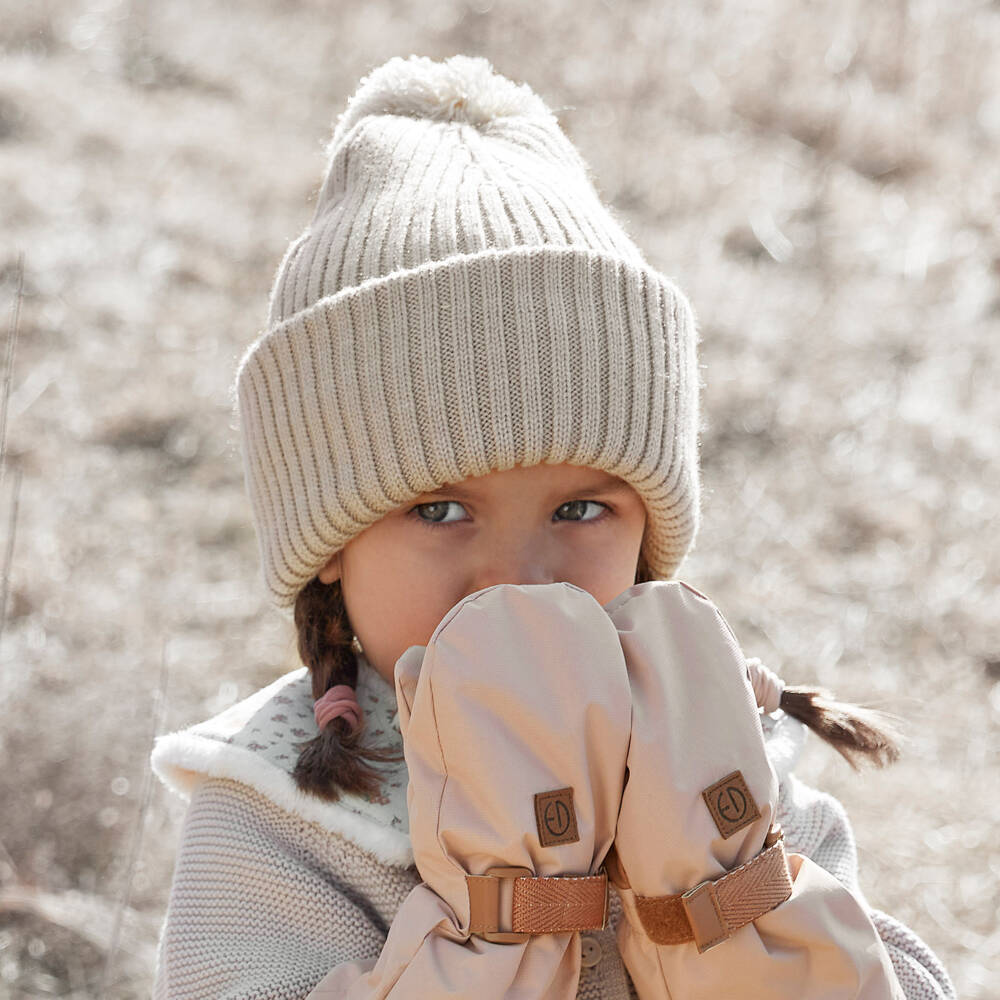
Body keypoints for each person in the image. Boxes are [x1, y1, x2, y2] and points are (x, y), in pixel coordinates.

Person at [149, 54, 955, 999]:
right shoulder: (287, 812)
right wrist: (504, 914)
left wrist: (725, 891)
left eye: (580, 509)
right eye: (439, 509)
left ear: (648, 537)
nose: (518, 575)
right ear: (329, 545)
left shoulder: (719, 755)